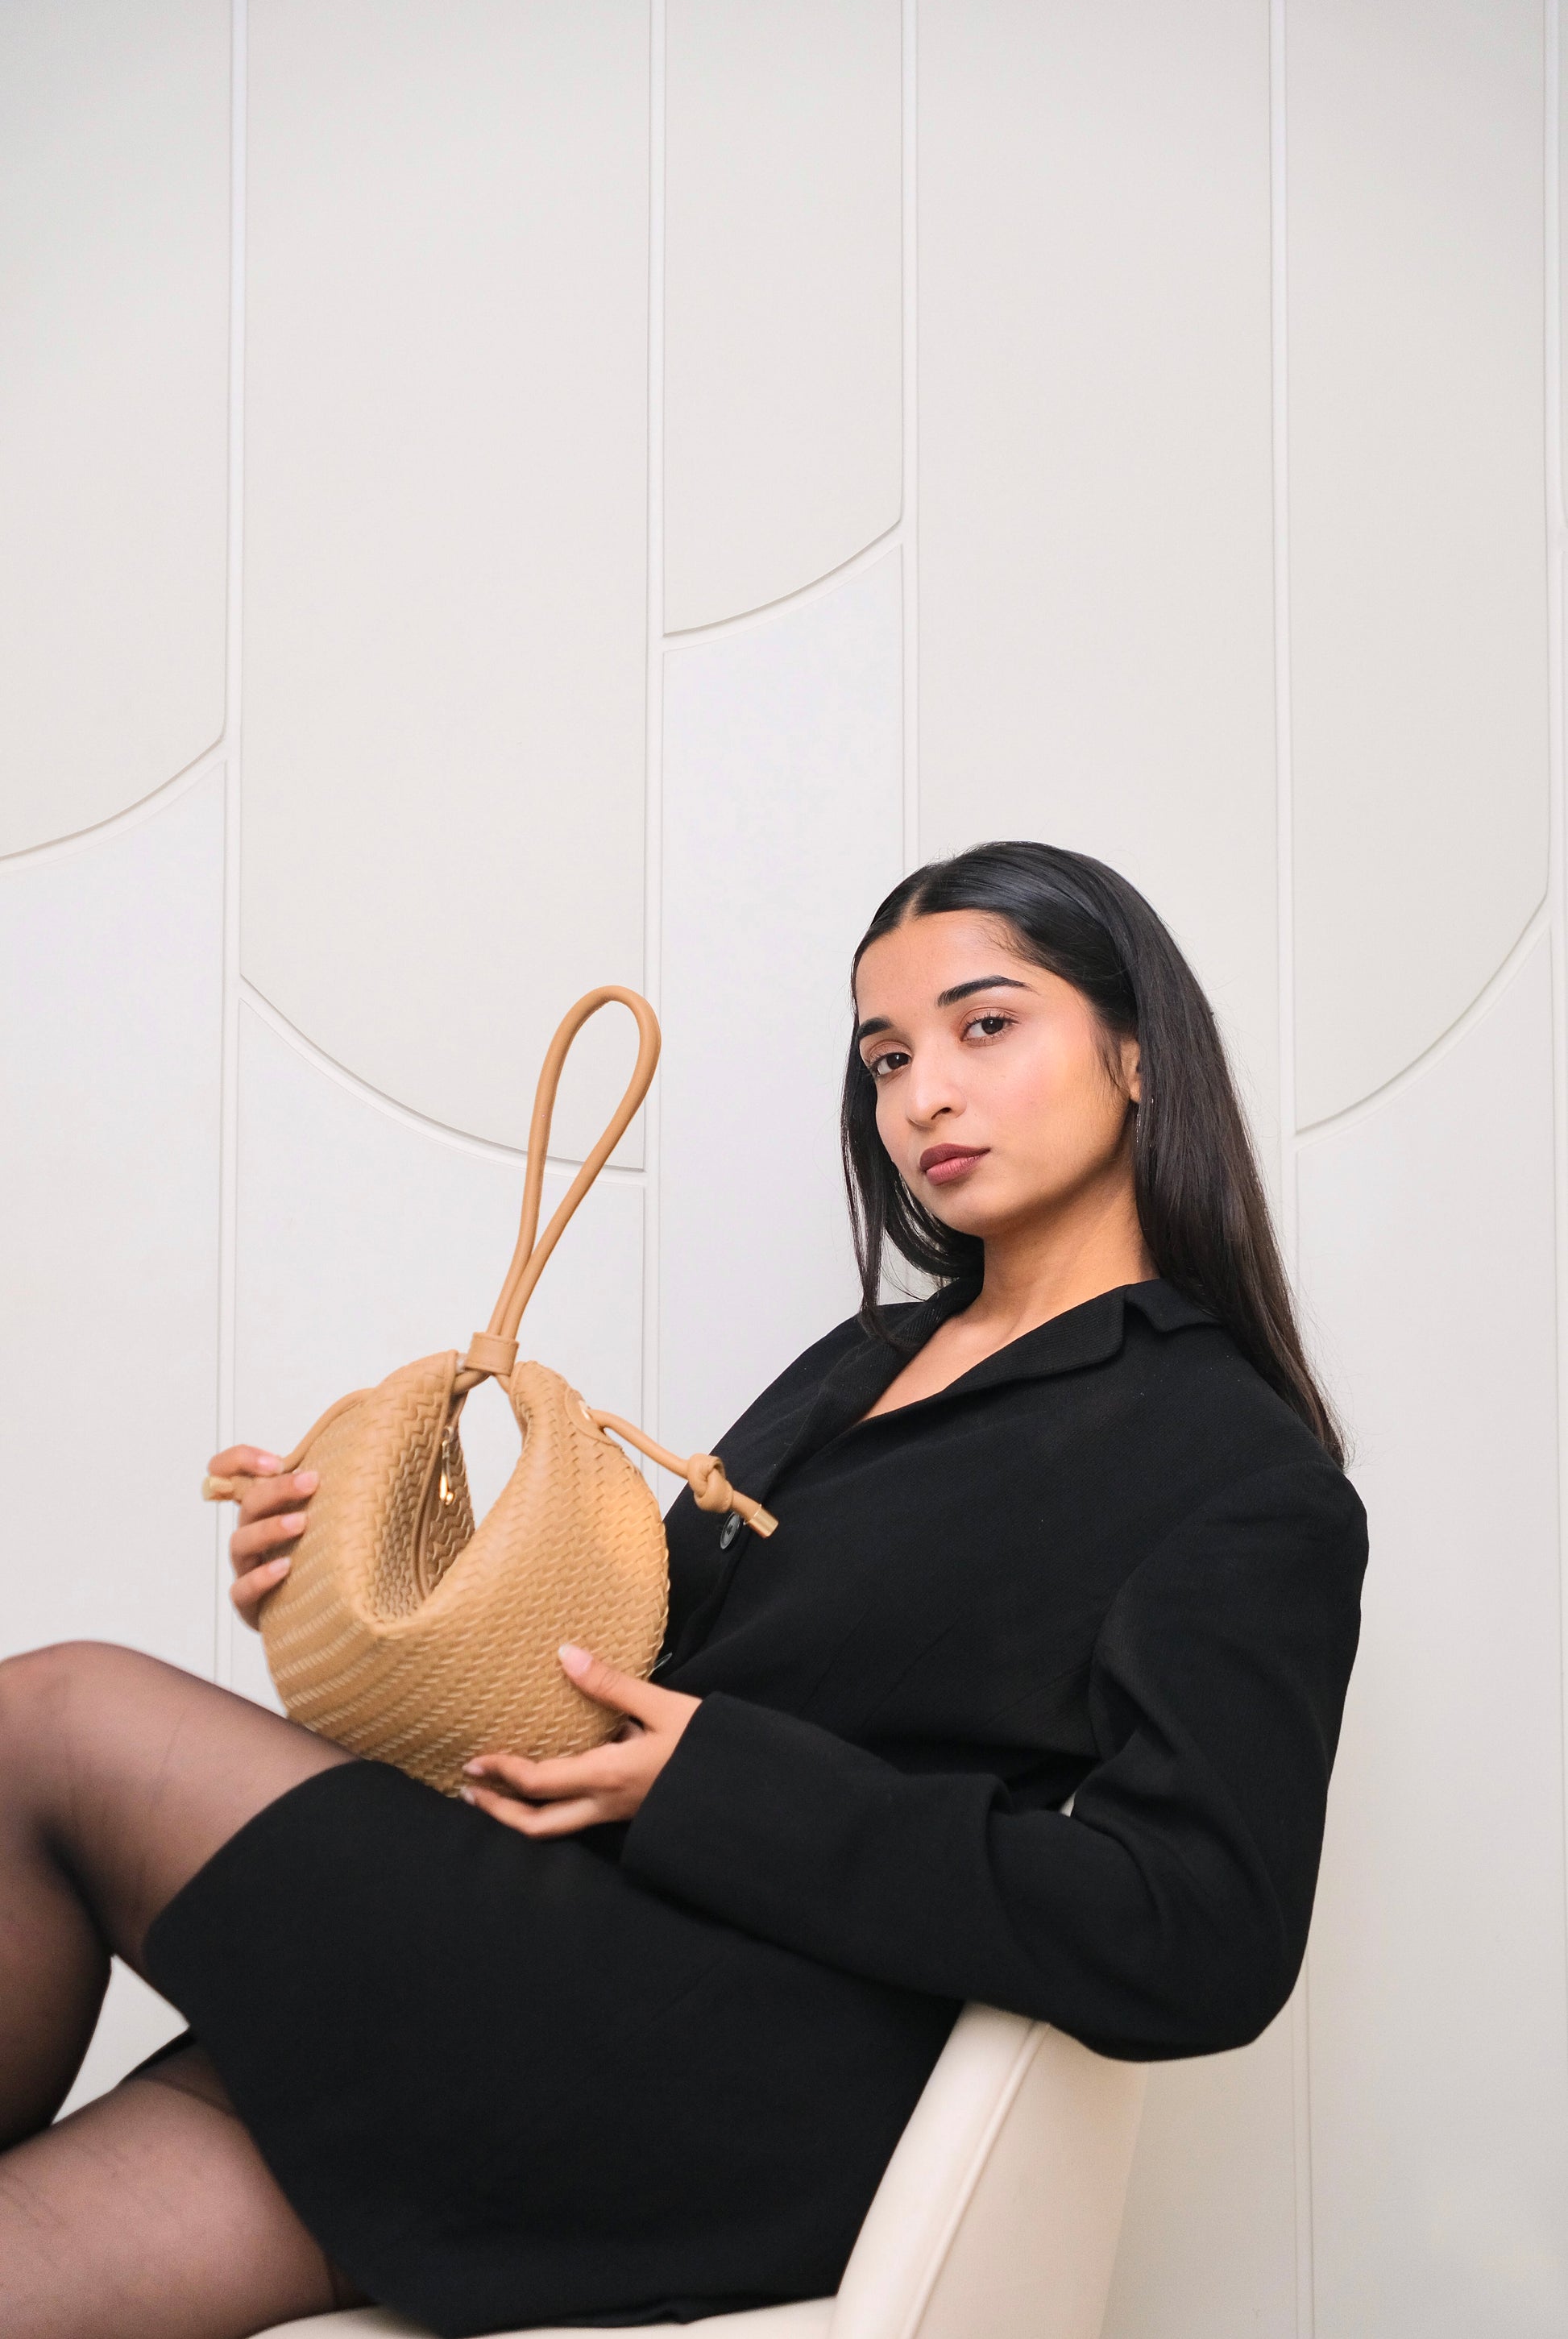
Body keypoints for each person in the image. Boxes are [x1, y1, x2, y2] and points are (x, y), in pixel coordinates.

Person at [0, 841, 1366, 2339]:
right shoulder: (863, 1362)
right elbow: (635, 1688)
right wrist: (356, 1591)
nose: (922, 1095)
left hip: (745, 2067)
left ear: (1137, 1054)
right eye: (886, 1057)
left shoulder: (1232, 1466)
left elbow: (1199, 1936)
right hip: (554, 1980)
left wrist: (723, 1784)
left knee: (52, 1714)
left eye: (985, 1027)